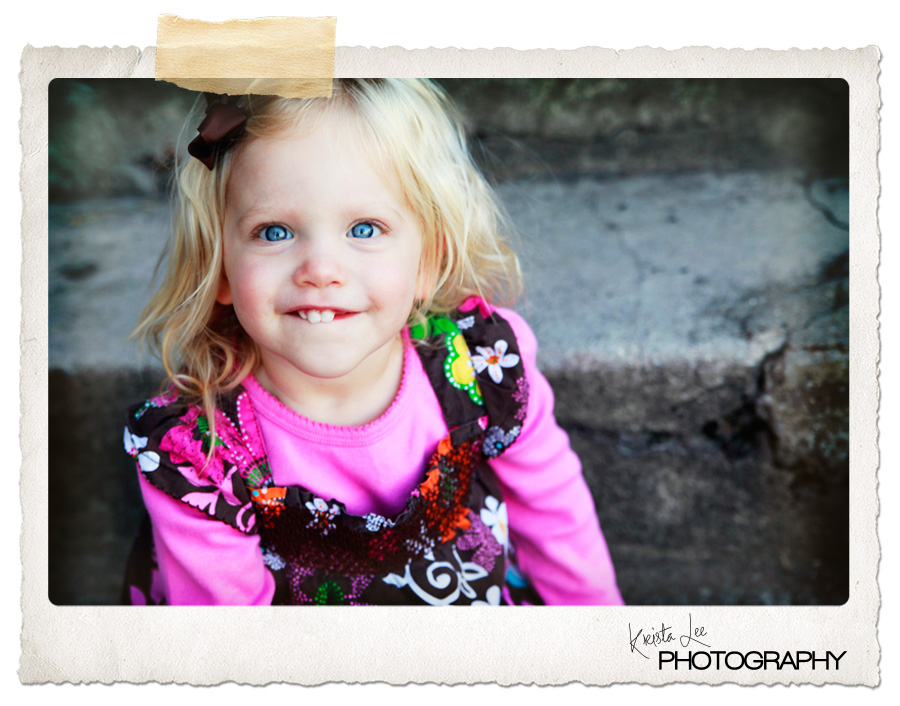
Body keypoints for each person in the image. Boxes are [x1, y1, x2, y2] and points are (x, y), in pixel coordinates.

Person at [122, 79, 623, 606]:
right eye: (274, 232)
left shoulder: (484, 365)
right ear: (220, 266)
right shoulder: (201, 453)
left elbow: (558, 524)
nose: (321, 269)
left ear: (427, 261)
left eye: (364, 229)